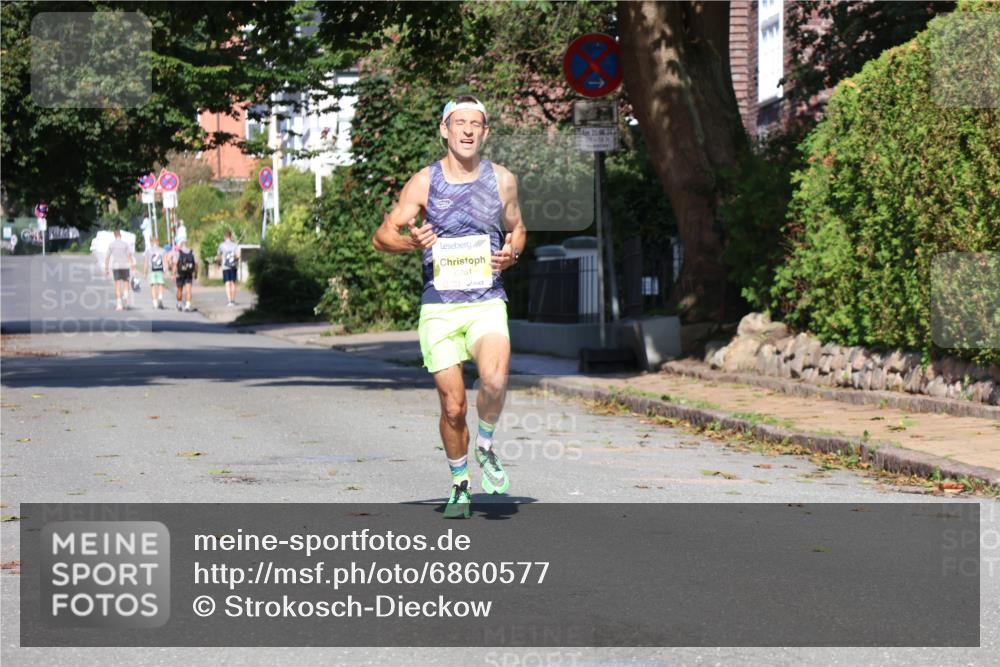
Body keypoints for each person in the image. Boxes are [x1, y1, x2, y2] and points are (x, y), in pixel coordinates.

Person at [372, 95, 526, 518]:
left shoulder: (502, 180)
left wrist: (511, 252)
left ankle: (487, 446)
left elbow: (517, 230)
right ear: (445, 129)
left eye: (476, 123)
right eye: (460, 122)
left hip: (487, 299)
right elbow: (382, 236)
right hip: (439, 305)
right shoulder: (424, 182)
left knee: (495, 379)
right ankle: (460, 482)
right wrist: (410, 241)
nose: (467, 130)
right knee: (453, 406)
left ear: (485, 132)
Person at [104, 229, 135, 311]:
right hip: (125, 266)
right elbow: (129, 256)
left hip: (116, 266)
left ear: (114, 236)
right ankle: (125, 296)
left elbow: (107, 257)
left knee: (117, 285)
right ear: (120, 235)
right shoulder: (125, 244)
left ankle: (119, 304)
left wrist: (106, 268)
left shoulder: (111, 245)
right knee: (126, 283)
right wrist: (133, 267)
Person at [169, 239, 198, 312]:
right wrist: (196, 274)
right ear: (187, 245)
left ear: (181, 246)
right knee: (188, 290)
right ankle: (187, 306)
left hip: (180, 274)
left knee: (179, 289)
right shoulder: (192, 252)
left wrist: (173, 274)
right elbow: (196, 264)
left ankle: (179, 304)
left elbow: (175, 265)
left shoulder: (178, 253)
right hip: (189, 273)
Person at [216, 230, 241, 306]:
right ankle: (233, 300)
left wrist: (218, 264)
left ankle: (229, 300)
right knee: (233, 283)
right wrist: (235, 260)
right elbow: (238, 256)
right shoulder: (235, 245)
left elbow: (218, 256)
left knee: (227, 283)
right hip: (233, 266)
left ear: (224, 237)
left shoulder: (222, 245)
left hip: (225, 266)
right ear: (231, 236)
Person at [143, 236, 167, 309]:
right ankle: (160, 298)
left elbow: (146, 262)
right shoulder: (163, 250)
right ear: (158, 242)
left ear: (151, 242)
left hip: (152, 270)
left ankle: (155, 303)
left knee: (153, 286)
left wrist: (145, 272)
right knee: (161, 285)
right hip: (160, 270)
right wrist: (166, 270)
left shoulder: (148, 251)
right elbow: (165, 261)